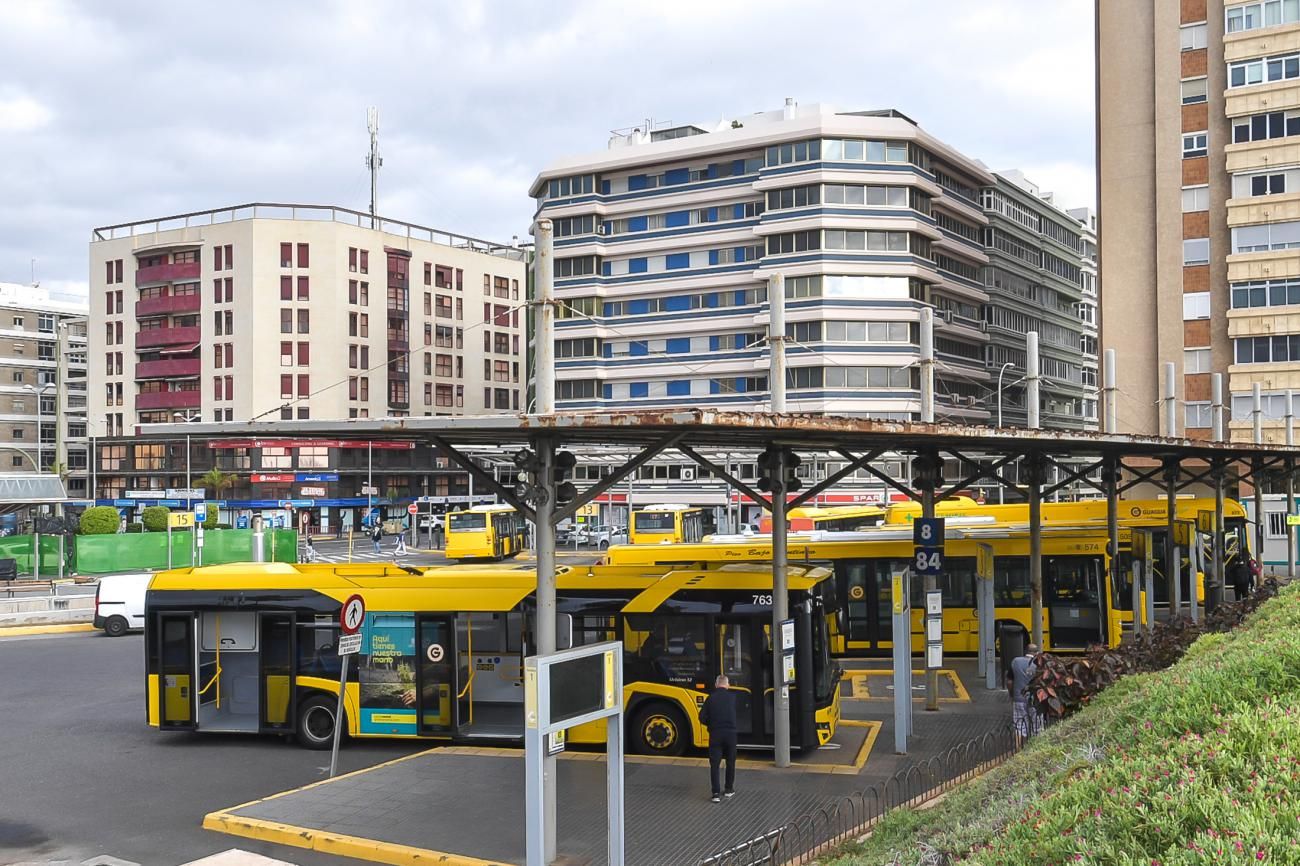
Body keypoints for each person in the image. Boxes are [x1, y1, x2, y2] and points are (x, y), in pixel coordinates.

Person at [699, 674, 738, 803]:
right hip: (731, 735)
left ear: (716, 685)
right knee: (730, 762)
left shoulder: (710, 698)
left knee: (714, 764)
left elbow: (701, 717)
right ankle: (728, 790)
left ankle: (715, 793)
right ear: (728, 685)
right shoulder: (733, 697)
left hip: (715, 734)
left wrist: (710, 724)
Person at [1008, 643, 1042, 740]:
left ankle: (1018, 750)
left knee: (1019, 726)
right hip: (1035, 700)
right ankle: (1035, 751)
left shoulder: (1016, 661)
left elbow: (1010, 682)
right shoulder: (1039, 664)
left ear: (1025, 652)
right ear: (1037, 653)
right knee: (1037, 727)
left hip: (1019, 699)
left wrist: (1012, 694)